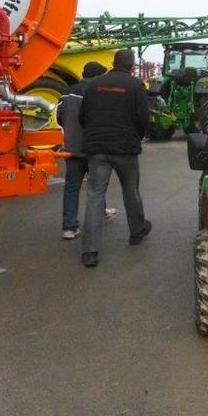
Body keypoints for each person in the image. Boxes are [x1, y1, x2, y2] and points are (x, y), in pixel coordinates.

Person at [78, 49, 151, 267]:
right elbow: (143, 118)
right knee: (131, 190)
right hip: (125, 149)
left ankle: (90, 252)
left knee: (95, 196)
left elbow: (83, 116)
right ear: (132, 65)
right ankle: (137, 231)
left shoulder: (94, 84)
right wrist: (134, 137)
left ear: (114, 62)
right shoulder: (136, 85)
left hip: (97, 149)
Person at [56, 61, 117, 240]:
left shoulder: (67, 92)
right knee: (97, 184)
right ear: (97, 76)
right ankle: (100, 214)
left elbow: (59, 117)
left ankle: (69, 227)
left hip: (71, 147)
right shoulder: (98, 92)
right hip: (94, 147)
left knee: (72, 187)